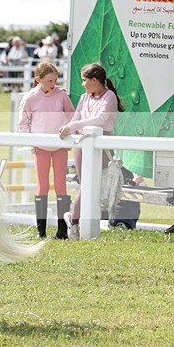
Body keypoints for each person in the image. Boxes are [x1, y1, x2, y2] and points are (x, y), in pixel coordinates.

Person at [58, 63, 125, 240]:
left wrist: (73, 126)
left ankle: (74, 220)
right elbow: (77, 117)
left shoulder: (109, 96)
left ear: (94, 80)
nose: (82, 84)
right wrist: (72, 127)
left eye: (84, 80)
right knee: (86, 184)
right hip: (81, 145)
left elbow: (101, 119)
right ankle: (75, 222)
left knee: (91, 184)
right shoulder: (84, 97)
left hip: (100, 146)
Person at [18, 61, 75, 239]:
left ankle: (62, 230)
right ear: (38, 79)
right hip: (40, 147)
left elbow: (72, 115)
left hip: (60, 146)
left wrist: (69, 130)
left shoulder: (62, 95)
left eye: (55, 80)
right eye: (50, 80)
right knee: (42, 186)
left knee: (61, 186)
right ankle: (40, 231)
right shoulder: (30, 98)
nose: (53, 84)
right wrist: (31, 143)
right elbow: (23, 124)